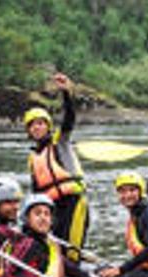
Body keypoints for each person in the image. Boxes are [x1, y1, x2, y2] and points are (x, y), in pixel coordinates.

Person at [24, 72, 88, 261]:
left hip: (73, 201)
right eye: (33, 125)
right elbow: (35, 190)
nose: (37, 128)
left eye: (41, 124)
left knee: (71, 250)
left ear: (48, 126)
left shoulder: (60, 142)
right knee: (52, 246)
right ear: (29, 131)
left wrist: (67, 93)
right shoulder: (33, 157)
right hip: (51, 207)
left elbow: (69, 118)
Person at [99, 171, 148, 277]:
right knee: (101, 272)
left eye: (132, 190)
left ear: (140, 192)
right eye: (122, 191)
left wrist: (122, 269)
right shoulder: (137, 213)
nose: (127, 195)